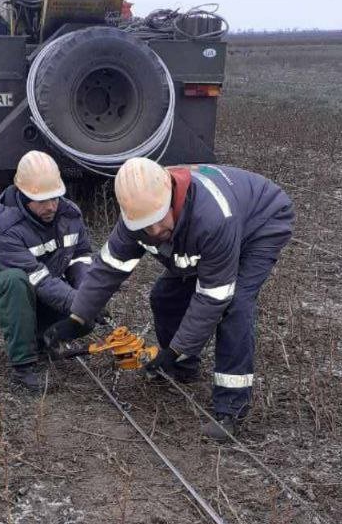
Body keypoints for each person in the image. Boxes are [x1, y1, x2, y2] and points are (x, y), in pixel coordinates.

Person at [43, 157, 294, 440]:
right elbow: (108, 269)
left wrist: (175, 349)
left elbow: (213, 296)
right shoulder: (138, 219)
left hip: (260, 222)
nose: (154, 233)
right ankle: (183, 369)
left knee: (234, 304)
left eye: (158, 222)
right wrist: (77, 318)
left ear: (172, 199)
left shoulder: (213, 219)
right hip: (210, 227)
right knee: (165, 296)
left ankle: (231, 409)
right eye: (145, 227)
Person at [0, 151, 94, 393]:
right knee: (16, 281)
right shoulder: (8, 230)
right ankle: (23, 366)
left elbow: (81, 257)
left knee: (85, 321)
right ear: (24, 196)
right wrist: (78, 302)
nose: (51, 207)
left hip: (42, 288)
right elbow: (37, 278)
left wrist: (88, 294)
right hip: (1, 289)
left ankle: (41, 339)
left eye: (55, 198)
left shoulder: (70, 215)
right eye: (42, 200)